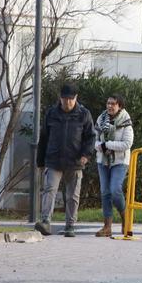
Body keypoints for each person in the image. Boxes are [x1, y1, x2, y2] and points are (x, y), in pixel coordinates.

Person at [36, 83, 95, 237]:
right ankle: (45, 221)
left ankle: (70, 225)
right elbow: (43, 138)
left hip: (75, 162)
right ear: (60, 98)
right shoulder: (51, 113)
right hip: (53, 160)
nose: (67, 102)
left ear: (76, 98)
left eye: (70, 99)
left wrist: (85, 155)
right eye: (64, 99)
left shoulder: (84, 114)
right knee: (49, 190)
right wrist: (40, 162)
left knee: (72, 196)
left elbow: (90, 137)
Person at [93, 94, 134, 238]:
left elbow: (127, 143)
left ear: (120, 106)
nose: (110, 106)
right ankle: (107, 227)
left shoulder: (126, 121)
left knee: (115, 190)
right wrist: (100, 147)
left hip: (119, 161)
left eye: (113, 104)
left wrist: (108, 145)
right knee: (105, 192)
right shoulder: (100, 119)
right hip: (103, 160)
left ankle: (125, 218)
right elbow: (95, 140)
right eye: (108, 103)